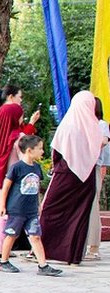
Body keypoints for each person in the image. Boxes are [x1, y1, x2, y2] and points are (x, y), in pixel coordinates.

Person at [39, 90, 103, 266]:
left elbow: (56, 153)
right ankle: (73, 256)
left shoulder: (68, 125)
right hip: (86, 178)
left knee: (50, 211)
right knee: (78, 216)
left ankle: (43, 250)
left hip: (65, 175)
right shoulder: (94, 127)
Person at [0, 135, 63, 275]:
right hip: (17, 209)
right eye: (39, 148)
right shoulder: (17, 168)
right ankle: (3, 261)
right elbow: (6, 186)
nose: (42, 152)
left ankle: (43, 265)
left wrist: (39, 205)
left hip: (31, 210)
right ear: (29, 150)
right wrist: (2, 205)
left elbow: (37, 188)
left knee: (35, 236)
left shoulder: (37, 168)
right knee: (12, 235)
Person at [0, 85, 39, 249]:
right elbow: (27, 151)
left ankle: (0, 247)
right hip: (13, 181)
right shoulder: (18, 137)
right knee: (7, 215)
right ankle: (3, 251)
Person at [91, 99, 109, 260]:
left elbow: (103, 141)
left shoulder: (101, 124)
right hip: (82, 167)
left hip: (94, 165)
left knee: (93, 204)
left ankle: (94, 245)